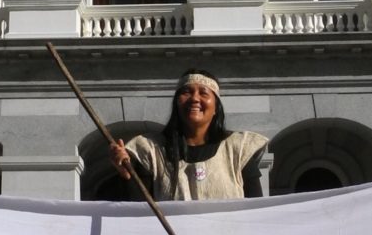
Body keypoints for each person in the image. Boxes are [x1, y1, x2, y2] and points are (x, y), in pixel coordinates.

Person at [109, 70, 267, 200]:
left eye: (204, 93)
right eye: (186, 92)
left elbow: (256, 211)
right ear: (177, 103)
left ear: (216, 108)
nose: (194, 99)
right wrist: (127, 176)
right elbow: (141, 213)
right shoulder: (149, 150)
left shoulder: (239, 149)